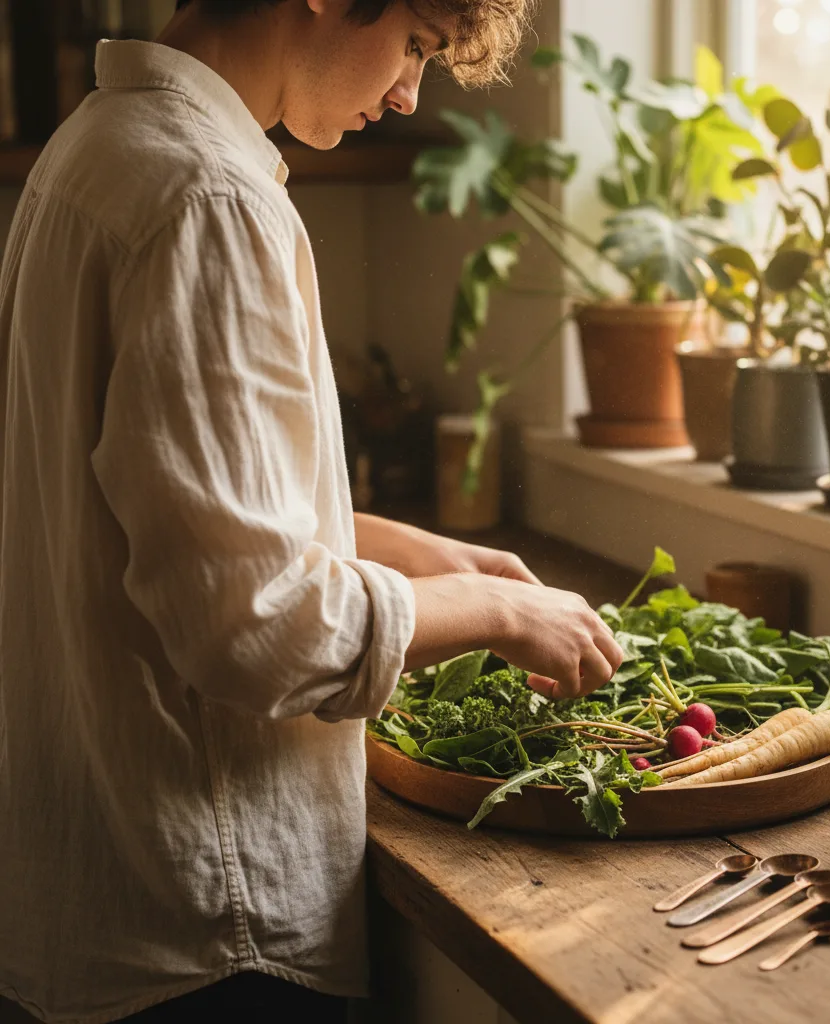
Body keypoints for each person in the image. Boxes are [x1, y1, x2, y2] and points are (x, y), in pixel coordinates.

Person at [0, 1, 623, 1020]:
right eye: (417, 45)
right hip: (207, 929)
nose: (408, 93)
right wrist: (503, 616)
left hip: (87, 900)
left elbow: (170, 515)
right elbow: (254, 625)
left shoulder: (92, 150)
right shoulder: (208, 197)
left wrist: (437, 561)